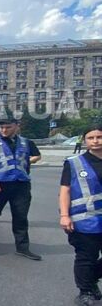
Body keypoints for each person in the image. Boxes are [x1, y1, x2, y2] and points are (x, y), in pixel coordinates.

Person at [0, 118, 42, 260]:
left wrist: (29, 161)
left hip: (21, 183)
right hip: (0, 184)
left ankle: (22, 247)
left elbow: (36, 155)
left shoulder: (26, 142)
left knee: (21, 215)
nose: (4, 130)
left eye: (8, 127)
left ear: (17, 126)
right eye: (1, 127)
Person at [60, 124, 102, 305]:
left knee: (90, 264)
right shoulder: (74, 163)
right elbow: (65, 191)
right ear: (84, 141)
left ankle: (90, 278)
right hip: (85, 221)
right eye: (91, 138)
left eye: (99, 137)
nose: (95, 141)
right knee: (86, 257)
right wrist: (64, 215)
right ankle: (85, 291)